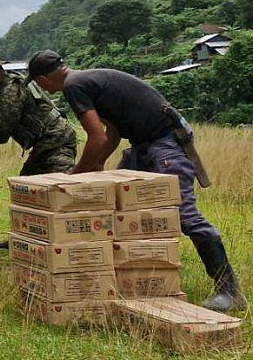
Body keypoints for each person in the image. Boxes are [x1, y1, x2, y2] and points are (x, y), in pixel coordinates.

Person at [27, 50, 245, 313]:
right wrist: (97, 164)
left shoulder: (74, 86)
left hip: (165, 143)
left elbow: (95, 138)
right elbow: (113, 133)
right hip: (143, 144)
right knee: (118, 204)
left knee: (185, 215)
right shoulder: (88, 80)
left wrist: (72, 180)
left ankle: (228, 290)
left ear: (42, 79)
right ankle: (131, 275)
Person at [0, 51, 79, 249]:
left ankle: (69, 241)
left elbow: (2, 132)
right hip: (44, 144)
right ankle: (22, 238)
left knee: (61, 192)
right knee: (25, 191)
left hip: (56, 140)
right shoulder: (9, 87)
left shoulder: (11, 90)